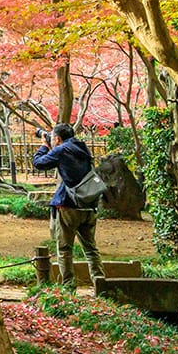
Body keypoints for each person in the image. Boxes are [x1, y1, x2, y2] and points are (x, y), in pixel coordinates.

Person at [32, 122, 107, 286]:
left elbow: (38, 163)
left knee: (65, 249)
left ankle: (68, 287)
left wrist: (44, 146)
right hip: (89, 203)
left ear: (57, 139)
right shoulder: (82, 147)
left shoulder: (61, 150)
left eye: (52, 137)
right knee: (91, 249)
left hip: (69, 205)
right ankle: (100, 284)